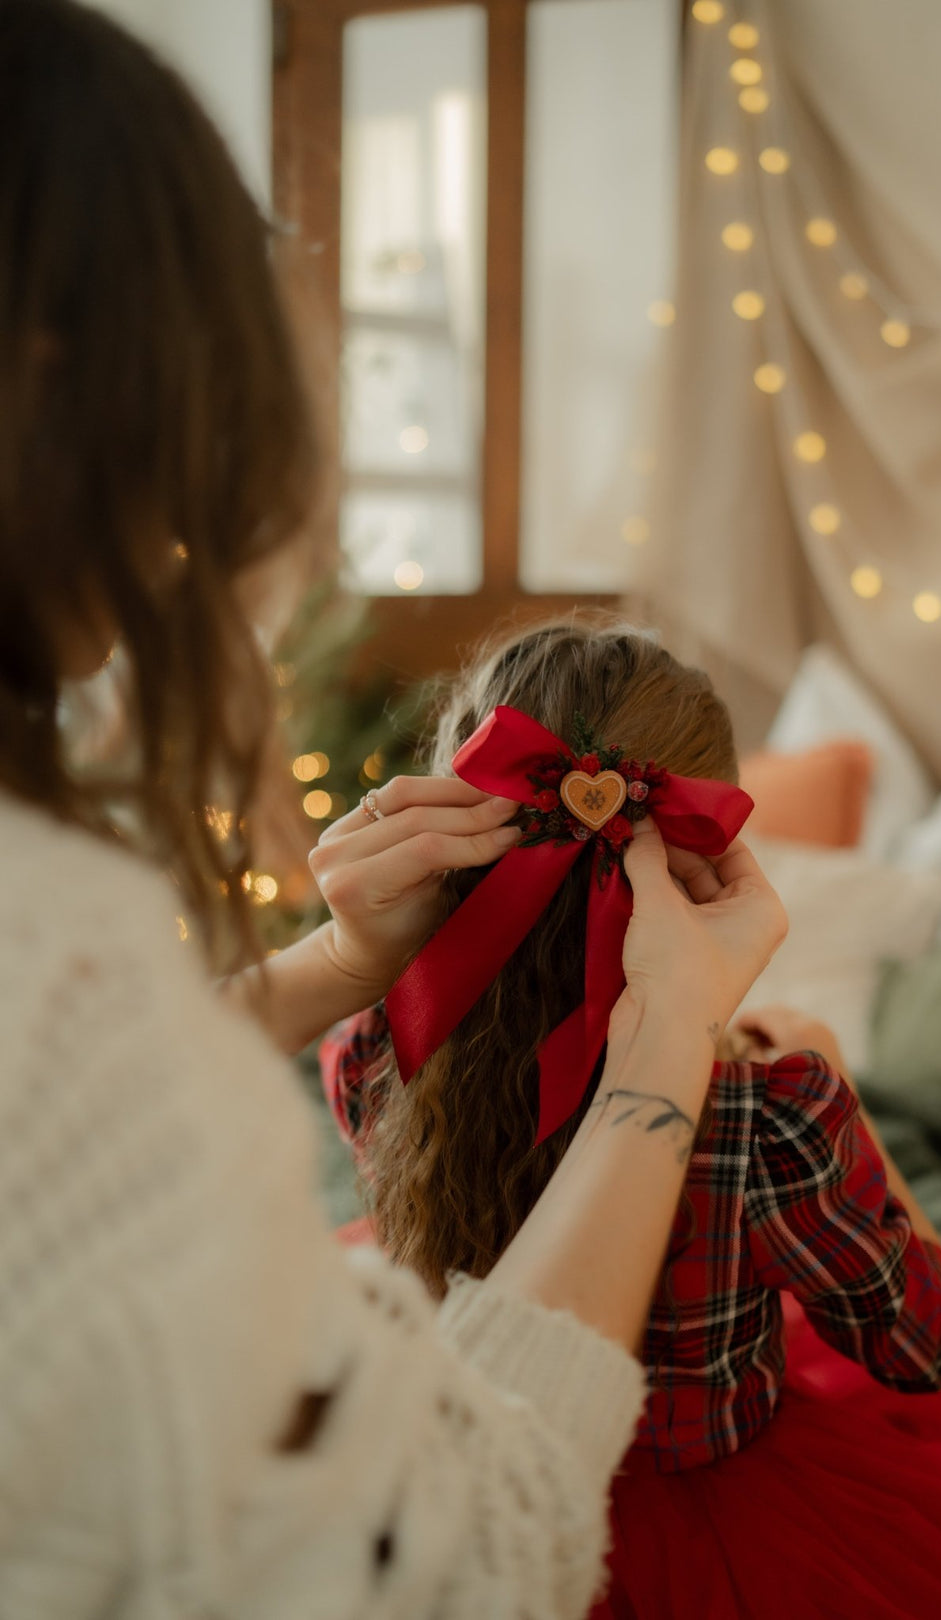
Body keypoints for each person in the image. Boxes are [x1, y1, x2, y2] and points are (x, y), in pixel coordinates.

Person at [0, 3, 789, 1614]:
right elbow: (458, 1565)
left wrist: (332, 973)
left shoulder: (358, 1060)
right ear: (70, 386)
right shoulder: (787, 1106)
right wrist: (663, 1057)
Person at [322, 619, 941, 1619]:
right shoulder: (770, 1115)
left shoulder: (380, 1038)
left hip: (455, 1467)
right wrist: (837, 1090)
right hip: (724, 1529)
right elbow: (927, 1348)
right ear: (707, 840)